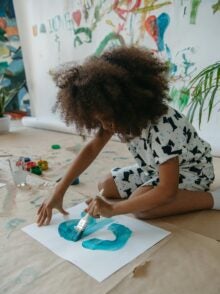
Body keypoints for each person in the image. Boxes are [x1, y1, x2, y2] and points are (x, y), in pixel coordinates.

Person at [37, 46, 219, 226]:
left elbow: (167, 191)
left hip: (192, 171)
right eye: (99, 122)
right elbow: (92, 148)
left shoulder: (163, 126)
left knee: (142, 209)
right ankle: (145, 189)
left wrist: (114, 209)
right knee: (105, 185)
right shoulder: (115, 115)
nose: (106, 127)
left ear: (126, 104)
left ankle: (213, 199)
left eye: (107, 120)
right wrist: (59, 190)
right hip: (154, 169)